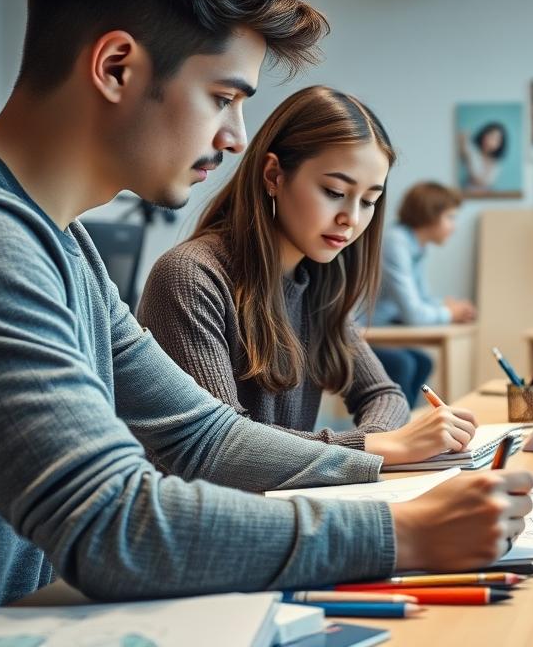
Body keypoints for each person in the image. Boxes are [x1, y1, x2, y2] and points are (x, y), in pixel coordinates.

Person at [0, 0, 530, 636]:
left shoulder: (61, 242)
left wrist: (383, 473)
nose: (238, 139)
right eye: (223, 98)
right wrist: (401, 535)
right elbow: (109, 522)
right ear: (117, 67)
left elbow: (201, 436)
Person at [138, 86, 479, 465]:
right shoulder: (191, 277)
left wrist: (382, 443)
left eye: (369, 201)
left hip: (289, 503)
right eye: (334, 191)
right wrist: (376, 447)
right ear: (273, 175)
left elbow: (383, 394)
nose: (351, 218)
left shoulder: (317, 281)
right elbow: (224, 449)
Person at [368, 181, 476, 405]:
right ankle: (395, 430)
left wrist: (447, 307)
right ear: (430, 215)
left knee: (423, 361)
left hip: (384, 328)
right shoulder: (396, 241)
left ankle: (405, 424)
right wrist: (448, 313)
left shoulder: (416, 246)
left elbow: (420, 298)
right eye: (450, 217)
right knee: (404, 363)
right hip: (361, 332)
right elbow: (414, 314)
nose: (453, 227)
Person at [459, 121, 507, 192]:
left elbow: (487, 183)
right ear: (484, 135)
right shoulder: (472, 151)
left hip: (486, 198)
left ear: (500, 143)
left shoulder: (497, 163)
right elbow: (476, 179)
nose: (492, 140)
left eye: (496, 139)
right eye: (490, 135)